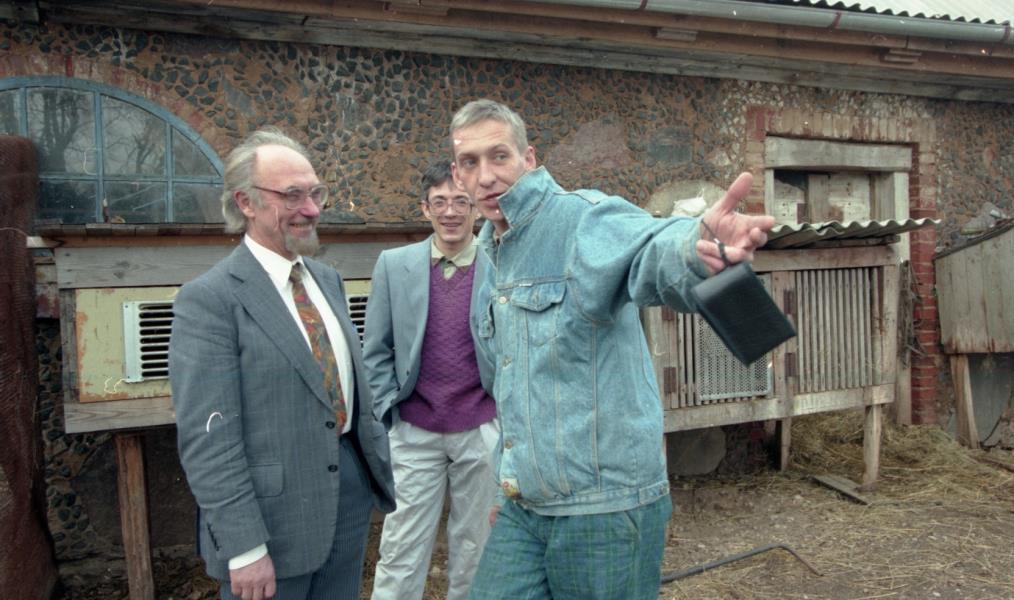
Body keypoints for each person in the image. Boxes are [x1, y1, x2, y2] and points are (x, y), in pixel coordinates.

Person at [449, 99, 775, 600]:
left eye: (499, 156)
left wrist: (697, 247)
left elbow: (650, 247)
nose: (486, 176)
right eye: (470, 162)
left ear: (528, 158)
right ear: (457, 174)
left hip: (603, 506)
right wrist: (504, 484)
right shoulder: (491, 253)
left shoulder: (583, 220)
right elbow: (513, 390)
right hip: (525, 504)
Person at [169, 127, 395, 600]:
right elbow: (209, 439)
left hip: (347, 496)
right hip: (270, 521)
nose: (311, 209)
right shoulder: (210, 299)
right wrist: (244, 547)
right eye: (291, 195)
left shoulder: (326, 280)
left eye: (316, 193)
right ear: (246, 203)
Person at [364, 160, 498, 600]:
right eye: (439, 202)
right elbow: (376, 349)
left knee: (476, 544)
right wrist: (389, 413)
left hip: (480, 426)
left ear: (475, 207)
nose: (450, 212)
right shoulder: (394, 265)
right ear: (424, 209)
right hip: (415, 428)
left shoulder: (499, 264)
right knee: (401, 545)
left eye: (460, 201)